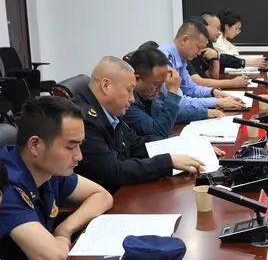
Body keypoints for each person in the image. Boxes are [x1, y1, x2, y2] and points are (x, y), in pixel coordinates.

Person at [0, 96, 113, 260]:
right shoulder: (4, 186)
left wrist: (65, 229)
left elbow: (102, 196)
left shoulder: (47, 168)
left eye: (80, 145)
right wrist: (61, 239)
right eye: (70, 147)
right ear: (35, 145)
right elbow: (53, 258)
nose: (79, 156)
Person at [72, 56, 207, 193]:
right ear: (106, 86)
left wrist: (185, 146)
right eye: (129, 90)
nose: (132, 99)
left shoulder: (107, 111)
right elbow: (113, 172)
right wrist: (168, 162)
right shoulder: (82, 120)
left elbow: (135, 144)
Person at [122, 46, 223, 136]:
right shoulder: (127, 103)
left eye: (162, 84)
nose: (159, 90)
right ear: (136, 79)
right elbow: (159, 132)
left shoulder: (147, 94)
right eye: (156, 84)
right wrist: (173, 92)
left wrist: (204, 113)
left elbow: (166, 114)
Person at [160, 19, 245, 115]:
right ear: (185, 40)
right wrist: (216, 102)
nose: (199, 53)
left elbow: (190, 89)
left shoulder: (181, 58)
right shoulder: (164, 60)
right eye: (199, 47)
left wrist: (213, 92)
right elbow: (178, 104)